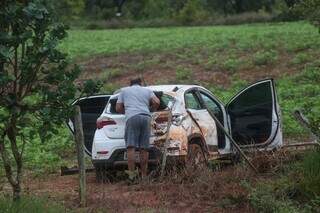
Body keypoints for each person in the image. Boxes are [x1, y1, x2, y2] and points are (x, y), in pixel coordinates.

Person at [116, 78, 160, 179]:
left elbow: (118, 108)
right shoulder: (147, 90)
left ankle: (132, 176)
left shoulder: (124, 90)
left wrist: (126, 112)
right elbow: (157, 102)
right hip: (146, 117)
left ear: (130, 84)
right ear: (140, 84)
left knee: (131, 147)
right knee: (144, 148)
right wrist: (151, 109)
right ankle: (144, 176)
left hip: (132, 117)